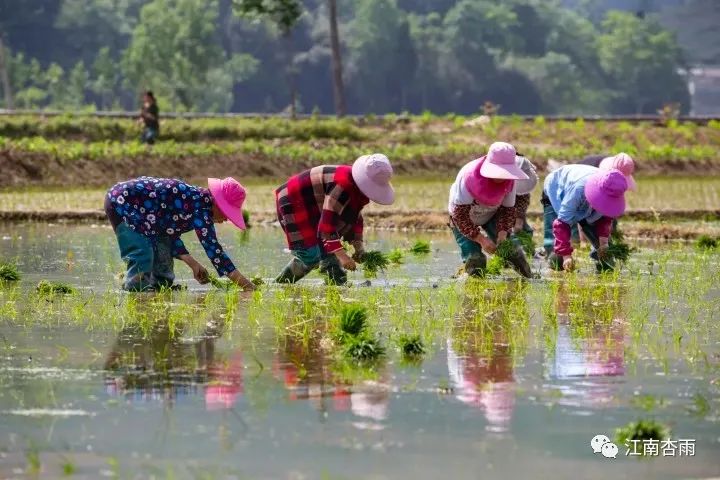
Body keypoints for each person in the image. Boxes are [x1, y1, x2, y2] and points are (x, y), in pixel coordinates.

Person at [105, 176, 256, 291]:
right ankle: (134, 292)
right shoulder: (200, 209)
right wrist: (247, 286)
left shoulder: (197, 204)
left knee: (163, 265)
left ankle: (157, 289)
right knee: (142, 255)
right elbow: (216, 254)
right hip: (122, 203)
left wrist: (193, 264)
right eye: (226, 214)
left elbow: (168, 232)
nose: (225, 219)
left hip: (151, 221)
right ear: (217, 203)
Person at [274, 154, 395, 285]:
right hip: (295, 199)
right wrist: (342, 256)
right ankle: (281, 285)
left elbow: (354, 217)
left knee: (325, 250)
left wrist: (359, 248)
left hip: (317, 202)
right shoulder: (343, 186)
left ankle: (335, 283)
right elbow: (327, 226)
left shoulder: (357, 190)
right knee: (310, 254)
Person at [448, 141, 532, 278]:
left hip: (492, 214)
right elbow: (460, 216)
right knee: (476, 260)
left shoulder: (509, 182)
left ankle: (530, 278)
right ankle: (472, 286)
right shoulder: (467, 178)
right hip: (464, 219)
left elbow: (507, 211)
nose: (502, 176)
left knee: (513, 252)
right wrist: (481, 239)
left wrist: (502, 234)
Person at [542, 165, 629, 272]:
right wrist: (566, 256)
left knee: (607, 256)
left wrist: (604, 243)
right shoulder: (579, 189)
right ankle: (555, 269)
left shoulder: (612, 190)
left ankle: (602, 271)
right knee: (558, 258)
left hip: (584, 204)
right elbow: (562, 223)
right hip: (557, 191)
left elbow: (606, 217)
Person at [511, 154, 539, 236]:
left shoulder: (523, 187)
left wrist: (519, 219)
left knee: (525, 230)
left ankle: (526, 246)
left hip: (516, 210)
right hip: (497, 211)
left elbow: (523, 200)